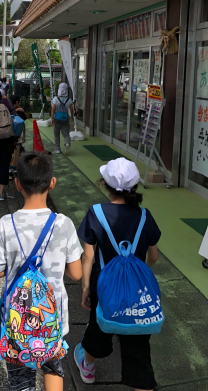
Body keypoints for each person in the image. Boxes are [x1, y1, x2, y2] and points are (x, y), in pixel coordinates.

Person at [0, 152, 83, 391]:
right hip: (53, 317)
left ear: (18, 184)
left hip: (17, 317)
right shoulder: (64, 224)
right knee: (53, 368)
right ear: (52, 183)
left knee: (20, 379)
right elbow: (76, 274)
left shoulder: (6, 224)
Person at [75, 158, 160, 390]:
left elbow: (88, 256)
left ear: (105, 184)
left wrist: (85, 288)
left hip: (103, 287)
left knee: (98, 328)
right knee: (138, 345)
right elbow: (153, 256)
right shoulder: (145, 216)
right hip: (136, 291)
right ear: (135, 187)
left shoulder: (96, 213)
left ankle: (88, 368)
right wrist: (137, 272)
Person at [51, 83, 74, 156]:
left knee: (56, 134)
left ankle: (57, 149)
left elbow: (53, 109)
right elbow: (71, 109)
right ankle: (67, 143)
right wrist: (72, 117)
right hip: (65, 120)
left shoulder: (55, 99)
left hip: (57, 119)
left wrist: (52, 118)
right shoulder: (69, 100)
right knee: (66, 134)